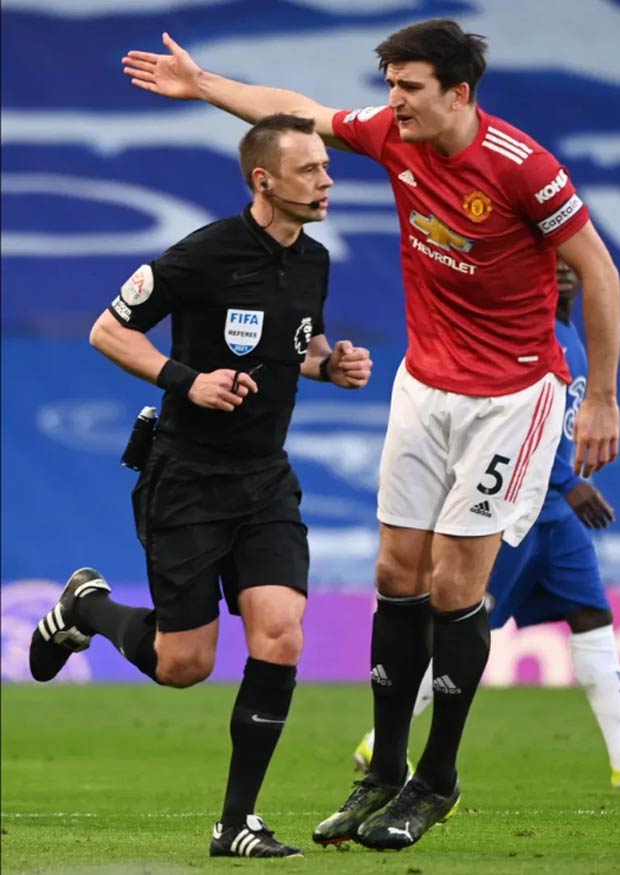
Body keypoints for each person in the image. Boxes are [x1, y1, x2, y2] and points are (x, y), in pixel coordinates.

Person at [122, 19, 620, 849]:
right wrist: (203, 84)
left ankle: (437, 778)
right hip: (425, 383)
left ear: (459, 92)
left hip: (510, 395)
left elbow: (599, 271)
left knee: (455, 584)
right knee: (396, 571)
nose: (394, 101)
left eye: (409, 87)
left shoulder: (523, 168)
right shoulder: (394, 135)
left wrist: (600, 395)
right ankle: (384, 771)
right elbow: (298, 110)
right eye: (389, 85)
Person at [28, 113, 372, 859]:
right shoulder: (203, 253)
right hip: (187, 477)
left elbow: (297, 345)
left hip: (266, 478)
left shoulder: (314, 260)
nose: (327, 180)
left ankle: (236, 823)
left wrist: (330, 365)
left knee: (281, 632)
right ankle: (85, 605)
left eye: (325, 167)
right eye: (310, 169)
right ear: (264, 180)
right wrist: (188, 380)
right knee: (184, 665)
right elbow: (108, 330)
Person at [353, 262, 620, 791]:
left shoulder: (572, 336)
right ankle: (382, 743)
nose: (564, 271)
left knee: (591, 613)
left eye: (571, 263)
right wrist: (568, 481)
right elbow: (518, 424)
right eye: (552, 262)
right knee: (467, 620)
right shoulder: (528, 337)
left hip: (557, 516)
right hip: (516, 506)